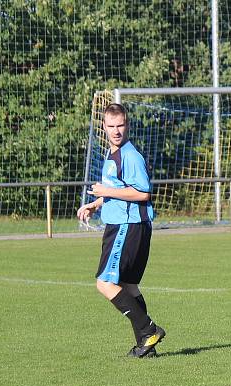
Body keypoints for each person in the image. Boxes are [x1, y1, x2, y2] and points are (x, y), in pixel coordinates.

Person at [77, 102, 165, 358]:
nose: (116, 131)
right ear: (103, 127)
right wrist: (95, 203)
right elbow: (118, 188)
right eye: (111, 126)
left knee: (105, 284)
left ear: (128, 126)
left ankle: (148, 330)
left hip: (127, 227)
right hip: (127, 226)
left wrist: (105, 192)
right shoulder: (112, 154)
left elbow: (143, 192)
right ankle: (146, 347)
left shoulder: (130, 156)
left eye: (121, 125)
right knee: (129, 287)